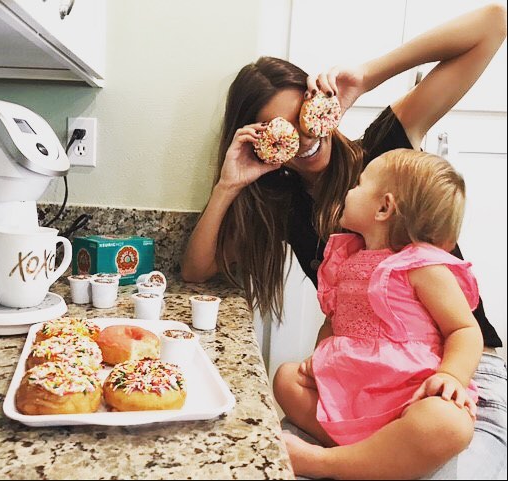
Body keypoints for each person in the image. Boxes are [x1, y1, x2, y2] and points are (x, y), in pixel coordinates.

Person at [181, 4, 507, 479]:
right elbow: (196, 270)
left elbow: (494, 22)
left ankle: (337, 461)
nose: (304, 135)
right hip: (362, 388)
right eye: (283, 130)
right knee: (282, 389)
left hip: (451, 377)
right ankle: (376, 456)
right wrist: (229, 185)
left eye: (305, 115)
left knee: (438, 436)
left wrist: (368, 75)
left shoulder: (385, 156)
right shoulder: (283, 204)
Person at [276, 149, 482, 479]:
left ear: (384, 208)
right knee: (286, 379)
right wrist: (320, 361)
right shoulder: (346, 260)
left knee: (449, 424)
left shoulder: (421, 266)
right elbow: (334, 323)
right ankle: (377, 458)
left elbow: (464, 330)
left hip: (407, 396)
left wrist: (452, 376)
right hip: (354, 390)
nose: (348, 190)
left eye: (358, 184)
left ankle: (327, 461)